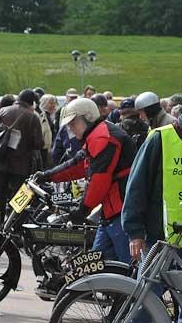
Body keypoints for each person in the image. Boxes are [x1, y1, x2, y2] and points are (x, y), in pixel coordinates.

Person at [114, 109, 182, 323]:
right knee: (145, 305)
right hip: (160, 241)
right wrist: (134, 231)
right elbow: (137, 186)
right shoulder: (160, 139)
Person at [35, 98, 135, 266]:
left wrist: (82, 209)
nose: (70, 127)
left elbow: (99, 180)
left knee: (128, 268)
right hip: (113, 211)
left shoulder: (102, 137)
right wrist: (48, 176)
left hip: (122, 210)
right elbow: (77, 165)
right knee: (94, 264)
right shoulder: (97, 135)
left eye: (73, 122)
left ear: (87, 118)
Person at [0, 89, 44, 224]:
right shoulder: (33, 117)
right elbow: (39, 143)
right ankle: (14, 230)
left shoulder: (1, 112)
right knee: (18, 200)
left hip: (0, 161)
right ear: (32, 102)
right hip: (21, 165)